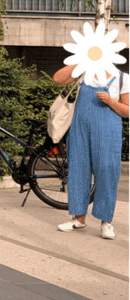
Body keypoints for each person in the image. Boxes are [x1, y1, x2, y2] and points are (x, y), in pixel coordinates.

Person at [51, 64, 129, 239]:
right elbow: (58, 79)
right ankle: (78, 219)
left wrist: (110, 101)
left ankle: (106, 222)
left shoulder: (122, 78)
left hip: (108, 130)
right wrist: (82, 60)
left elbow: (127, 111)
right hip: (80, 128)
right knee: (78, 170)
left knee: (107, 172)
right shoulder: (85, 71)